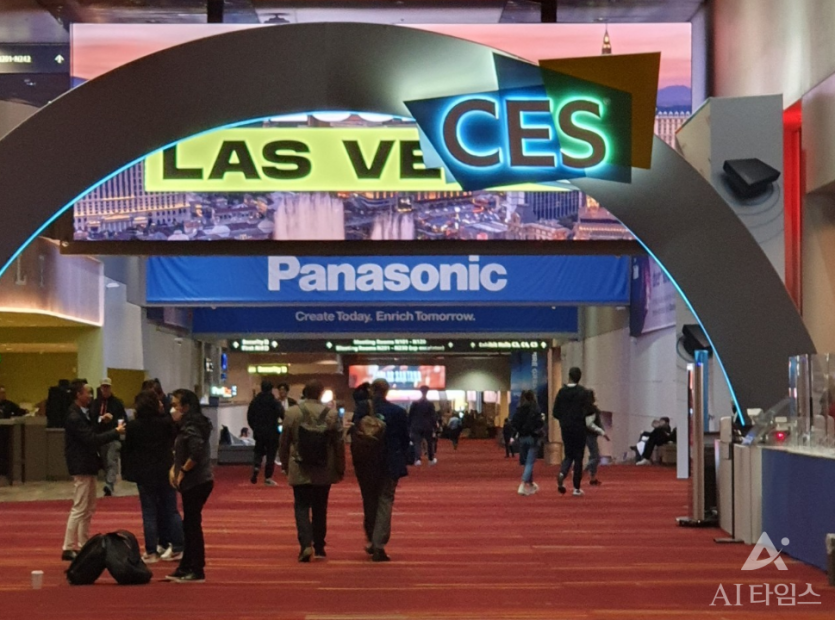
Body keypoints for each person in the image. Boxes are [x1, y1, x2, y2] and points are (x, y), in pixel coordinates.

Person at [279, 380, 345, 562]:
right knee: (320, 507)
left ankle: (305, 544)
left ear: (304, 393)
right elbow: (339, 444)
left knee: (301, 506)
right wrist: (340, 467)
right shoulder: (331, 414)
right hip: (324, 468)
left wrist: (284, 464)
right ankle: (320, 547)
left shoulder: (292, 412)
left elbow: (284, 442)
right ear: (321, 394)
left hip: (299, 466)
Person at [62, 380, 125, 561]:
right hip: (81, 465)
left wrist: (100, 421)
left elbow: (90, 430)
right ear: (78, 395)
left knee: (89, 507)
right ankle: (67, 547)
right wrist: (115, 431)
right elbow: (90, 439)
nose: (90, 395)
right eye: (87, 392)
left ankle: (83, 544)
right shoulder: (74, 416)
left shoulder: (82, 413)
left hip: (87, 464)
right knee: (79, 507)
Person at [122, 389, 184, 564]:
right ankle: (178, 547)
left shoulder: (133, 426)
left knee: (149, 512)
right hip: (165, 469)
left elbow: (128, 450)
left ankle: (151, 551)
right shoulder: (165, 423)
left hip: (144, 472)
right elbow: (173, 439)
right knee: (171, 510)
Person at [351, 378, 409, 562]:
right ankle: (379, 544)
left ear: (371, 390)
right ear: (387, 391)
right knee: (385, 500)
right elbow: (404, 439)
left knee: (369, 500)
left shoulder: (362, 409)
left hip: (366, 461)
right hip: (390, 462)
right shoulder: (398, 412)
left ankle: (371, 537)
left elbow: (355, 433)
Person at [168, 389, 214, 583]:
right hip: (196, 480)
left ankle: (196, 568)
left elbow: (196, 452)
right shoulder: (189, 425)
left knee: (192, 525)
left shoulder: (191, 426)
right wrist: (175, 468)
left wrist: (183, 471)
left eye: (175, 405)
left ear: (185, 407)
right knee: (189, 525)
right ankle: (186, 565)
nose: (172, 409)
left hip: (196, 481)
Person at [552, 367, 607, 497]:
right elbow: (589, 410)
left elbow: (555, 412)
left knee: (568, 455)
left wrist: (564, 420)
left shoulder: (562, 392)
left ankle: (562, 473)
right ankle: (576, 488)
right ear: (579, 377)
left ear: (569, 376)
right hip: (579, 428)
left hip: (566, 428)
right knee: (578, 457)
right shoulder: (583, 392)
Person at [91, 378, 126, 496]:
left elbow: (123, 419)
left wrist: (114, 421)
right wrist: (101, 419)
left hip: (113, 437)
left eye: (107, 387)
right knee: (105, 462)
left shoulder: (117, 403)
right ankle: (108, 480)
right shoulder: (95, 404)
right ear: (100, 388)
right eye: (103, 387)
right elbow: (92, 419)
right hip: (100, 437)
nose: (105, 389)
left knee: (112, 460)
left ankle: (109, 484)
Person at [247, 380, 284, 486]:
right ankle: (268, 477)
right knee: (271, 455)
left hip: (259, 432)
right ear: (271, 389)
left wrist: (255, 428)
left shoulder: (255, 401)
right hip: (272, 432)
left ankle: (256, 468)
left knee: (258, 452)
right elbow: (282, 414)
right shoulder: (274, 402)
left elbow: (249, 417)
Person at [512, 390, 544, 496]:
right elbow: (539, 423)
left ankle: (530, 484)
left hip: (522, 438)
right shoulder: (535, 409)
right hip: (533, 437)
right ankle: (522, 485)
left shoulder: (519, 409)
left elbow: (514, 423)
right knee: (530, 463)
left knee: (526, 463)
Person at [583, 391, 608, 485]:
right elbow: (590, 424)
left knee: (593, 455)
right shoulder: (591, 409)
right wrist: (602, 432)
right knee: (596, 456)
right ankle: (584, 470)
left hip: (583, 433)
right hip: (590, 434)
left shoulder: (581, 408)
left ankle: (592, 477)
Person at [408, 386, 437, 466]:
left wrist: (409, 426)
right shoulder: (430, 404)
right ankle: (430, 459)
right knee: (429, 443)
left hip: (416, 426)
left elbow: (410, 416)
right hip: (428, 426)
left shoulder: (415, 403)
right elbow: (433, 416)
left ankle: (417, 459)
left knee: (417, 443)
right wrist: (435, 427)